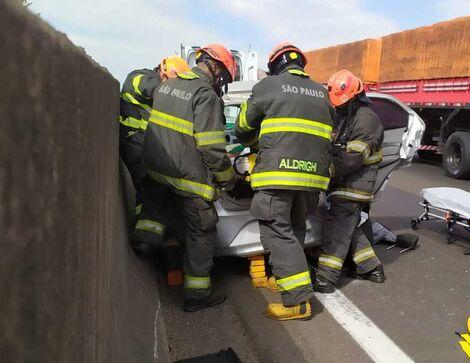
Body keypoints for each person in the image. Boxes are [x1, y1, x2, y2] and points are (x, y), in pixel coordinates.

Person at [234, 42, 334, 321]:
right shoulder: (322, 93)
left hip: (278, 174)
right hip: (312, 178)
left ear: (276, 65)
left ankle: (298, 301)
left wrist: (256, 142)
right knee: (295, 228)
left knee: (277, 231)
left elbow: (242, 126)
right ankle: (286, 279)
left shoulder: (268, 86)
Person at [134, 44, 237, 312]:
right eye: (224, 77)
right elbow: (211, 148)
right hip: (187, 179)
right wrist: (228, 178)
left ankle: (145, 244)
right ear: (217, 70)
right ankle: (197, 295)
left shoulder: (167, 86)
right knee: (202, 232)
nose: (222, 82)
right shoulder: (205, 96)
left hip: (157, 172)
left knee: (157, 210)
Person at [314, 70, 385, 293]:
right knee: (349, 227)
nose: (339, 108)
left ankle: (326, 278)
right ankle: (371, 268)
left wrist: (324, 171)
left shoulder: (366, 119)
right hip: (348, 183)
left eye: (342, 104)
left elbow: (352, 158)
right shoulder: (349, 115)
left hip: (354, 185)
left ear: (354, 97)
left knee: (336, 229)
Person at [119, 56, 190, 213]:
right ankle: (145, 221)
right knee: (147, 186)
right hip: (133, 139)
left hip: (145, 142)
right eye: (174, 83)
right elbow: (151, 88)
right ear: (164, 74)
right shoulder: (139, 77)